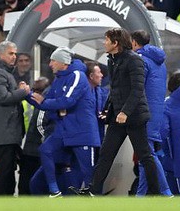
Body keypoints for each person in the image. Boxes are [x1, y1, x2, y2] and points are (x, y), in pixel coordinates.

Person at [74, 28, 159, 196]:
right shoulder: (112, 60)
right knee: (106, 154)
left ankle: (155, 193)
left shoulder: (135, 60)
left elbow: (137, 90)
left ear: (116, 43)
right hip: (117, 117)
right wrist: (108, 109)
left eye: (106, 40)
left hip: (134, 117)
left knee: (145, 156)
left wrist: (125, 112)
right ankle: (93, 190)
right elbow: (115, 89)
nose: (103, 43)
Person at [27, 47, 100, 197]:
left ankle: (94, 198)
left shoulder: (77, 75)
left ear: (63, 62)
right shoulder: (58, 79)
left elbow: (68, 101)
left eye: (53, 60)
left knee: (88, 172)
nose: (50, 64)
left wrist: (52, 104)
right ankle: (54, 191)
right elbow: (46, 103)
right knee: (45, 150)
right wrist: (28, 94)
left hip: (81, 130)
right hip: (64, 129)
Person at [0, 41, 29, 195]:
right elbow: (2, 97)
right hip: (4, 132)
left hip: (8, 132)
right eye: (11, 53)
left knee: (8, 172)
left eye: (15, 53)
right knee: (4, 172)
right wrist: (23, 92)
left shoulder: (6, 73)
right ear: (1, 54)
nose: (14, 57)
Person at [131, 30, 172, 197]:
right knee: (144, 156)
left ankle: (167, 192)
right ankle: (140, 196)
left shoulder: (139, 61)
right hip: (156, 114)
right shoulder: (160, 63)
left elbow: (137, 89)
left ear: (134, 42)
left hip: (144, 114)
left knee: (148, 155)